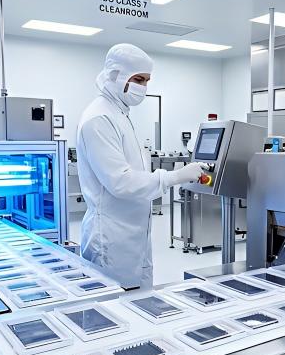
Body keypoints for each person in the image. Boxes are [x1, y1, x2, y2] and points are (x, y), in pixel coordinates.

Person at [77, 44, 207, 289]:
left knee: (140, 303)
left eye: (147, 81)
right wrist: (174, 177)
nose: (143, 88)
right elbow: (121, 182)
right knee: (113, 316)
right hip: (112, 240)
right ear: (116, 75)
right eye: (138, 79)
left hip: (134, 235)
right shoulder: (99, 118)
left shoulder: (119, 114)